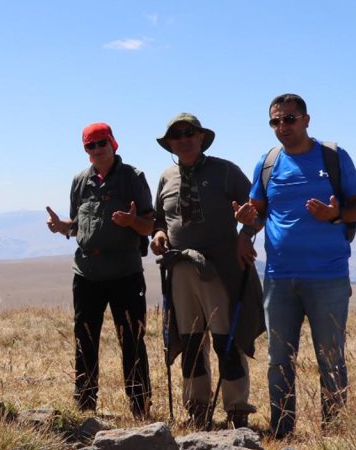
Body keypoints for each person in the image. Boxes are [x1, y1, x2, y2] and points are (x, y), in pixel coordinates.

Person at [242, 93, 356, 438]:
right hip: (279, 277)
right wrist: (246, 223)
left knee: (331, 359)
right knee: (279, 360)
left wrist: (336, 214)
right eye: (275, 121)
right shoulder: (268, 163)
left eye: (289, 119)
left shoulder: (332, 157)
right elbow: (257, 211)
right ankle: (282, 430)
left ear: (306, 120)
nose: (282, 126)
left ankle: (334, 431)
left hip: (327, 276)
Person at [150, 113, 264, 429]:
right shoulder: (165, 177)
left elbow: (257, 213)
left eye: (189, 133)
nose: (184, 139)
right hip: (180, 269)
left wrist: (246, 227)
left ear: (201, 138)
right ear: (170, 143)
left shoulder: (226, 171)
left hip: (220, 268)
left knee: (226, 339)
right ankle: (197, 409)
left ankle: (237, 409)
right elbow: (159, 219)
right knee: (189, 340)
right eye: (177, 135)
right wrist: (158, 235)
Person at [45, 122, 154, 418]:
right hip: (87, 272)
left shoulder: (133, 177)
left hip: (125, 271)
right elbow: (77, 225)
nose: (96, 150)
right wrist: (61, 228)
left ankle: (140, 406)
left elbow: (150, 224)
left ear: (113, 143)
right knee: (85, 339)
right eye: (90, 146)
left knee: (131, 339)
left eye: (101, 143)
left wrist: (132, 222)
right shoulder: (80, 180)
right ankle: (85, 406)